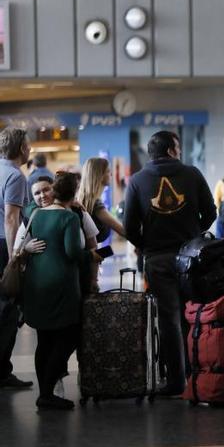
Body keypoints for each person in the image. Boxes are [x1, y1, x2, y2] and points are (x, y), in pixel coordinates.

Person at [123, 130, 216, 396]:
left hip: (157, 259)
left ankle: (176, 381)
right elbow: (211, 212)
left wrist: (146, 244)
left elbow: (129, 226)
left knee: (169, 320)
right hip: (191, 259)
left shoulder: (137, 181)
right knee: (193, 316)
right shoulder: (193, 174)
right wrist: (192, 237)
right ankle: (197, 374)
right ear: (173, 150)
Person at [19, 172, 101, 410]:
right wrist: (92, 255)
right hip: (61, 286)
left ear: (53, 191)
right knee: (69, 337)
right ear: (74, 195)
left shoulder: (34, 213)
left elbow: (30, 215)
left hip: (37, 284)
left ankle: (45, 392)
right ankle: (46, 392)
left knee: (44, 341)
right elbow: (73, 252)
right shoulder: (69, 217)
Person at [0, 127, 32, 390]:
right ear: (22, 148)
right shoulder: (15, 176)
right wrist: (14, 257)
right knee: (8, 311)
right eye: (28, 145)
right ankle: (2, 372)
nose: (30, 149)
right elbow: (11, 218)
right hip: (3, 245)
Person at [77, 157, 126, 243]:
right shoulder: (95, 204)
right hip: (90, 254)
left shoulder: (84, 198)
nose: (111, 174)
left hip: (88, 253)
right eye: (108, 171)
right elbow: (122, 230)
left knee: (108, 252)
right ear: (99, 175)